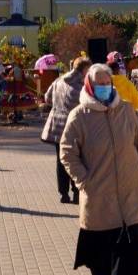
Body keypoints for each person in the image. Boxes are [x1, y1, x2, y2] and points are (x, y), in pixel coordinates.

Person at [60, 64, 138, 275]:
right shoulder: (79, 116)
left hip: (130, 190)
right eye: (99, 83)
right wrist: (84, 181)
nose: (104, 87)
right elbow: (67, 152)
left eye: (107, 82)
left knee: (129, 247)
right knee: (99, 244)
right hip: (99, 194)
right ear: (90, 86)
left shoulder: (125, 110)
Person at [41, 56, 92, 204]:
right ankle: (76, 193)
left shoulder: (58, 81)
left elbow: (47, 98)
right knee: (77, 159)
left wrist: (58, 107)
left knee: (60, 160)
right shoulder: (82, 86)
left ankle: (63, 194)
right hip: (74, 127)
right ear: (84, 69)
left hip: (56, 126)